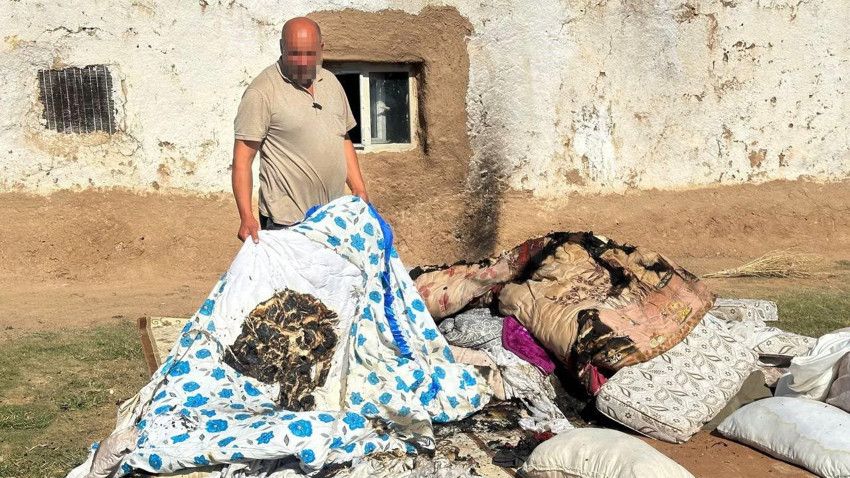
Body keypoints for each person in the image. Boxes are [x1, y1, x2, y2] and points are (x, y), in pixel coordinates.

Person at [232, 17, 368, 243]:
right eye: (295, 54)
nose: (304, 62)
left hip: (333, 218)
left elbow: (342, 138)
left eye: (310, 53)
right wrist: (246, 216)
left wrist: (359, 189)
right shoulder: (262, 92)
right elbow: (242, 160)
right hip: (287, 223)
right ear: (282, 48)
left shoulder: (331, 82)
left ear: (321, 49)